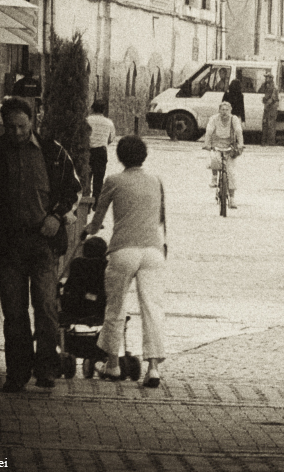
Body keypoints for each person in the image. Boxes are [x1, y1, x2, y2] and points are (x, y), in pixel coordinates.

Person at [0, 97, 82, 393]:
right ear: (4, 125)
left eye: (21, 126)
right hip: (7, 244)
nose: (16, 132)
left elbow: (73, 190)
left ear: (32, 121)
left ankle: (46, 369)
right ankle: (17, 373)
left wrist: (56, 216)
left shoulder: (53, 152)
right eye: (11, 127)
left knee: (45, 307)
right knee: (14, 311)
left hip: (43, 242)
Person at [85, 136, 167, 388]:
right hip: (152, 251)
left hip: (123, 250)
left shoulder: (113, 181)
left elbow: (97, 221)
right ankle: (153, 368)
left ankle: (112, 364)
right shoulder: (156, 180)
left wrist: (88, 229)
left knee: (116, 306)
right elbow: (160, 218)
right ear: (144, 155)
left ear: (120, 157)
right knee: (152, 308)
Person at [203, 101, 244, 208]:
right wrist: (207, 144)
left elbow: (238, 131)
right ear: (219, 110)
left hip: (230, 147)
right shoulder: (214, 119)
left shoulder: (234, 119)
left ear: (230, 110)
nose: (224, 112)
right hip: (216, 145)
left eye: (226, 110)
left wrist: (241, 144)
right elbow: (209, 131)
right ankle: (214, 177)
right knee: (214, 158)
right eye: (222, 109)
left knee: (231, 173)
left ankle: (232, 199)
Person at [86, 99, 116, 204]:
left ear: (92, 108)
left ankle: (86, 202)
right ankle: (96, 203)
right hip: (101, 152)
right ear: (103, 110)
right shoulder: (109, 123)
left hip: (88, 152)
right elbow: (111, 139)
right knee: (98, 180)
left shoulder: (87, 120)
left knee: (86, 178)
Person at [258, 71, 279, 146]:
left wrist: (266, 104)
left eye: (267, 77)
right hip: (267, 107)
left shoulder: (273, 87)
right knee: (265, 124)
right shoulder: (266, 86)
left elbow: (272, 99)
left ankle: (271, 142)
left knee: (271, 125)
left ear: (271, 78)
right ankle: (265, 141)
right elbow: (260, 91)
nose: (266, 79)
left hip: (271, 107)